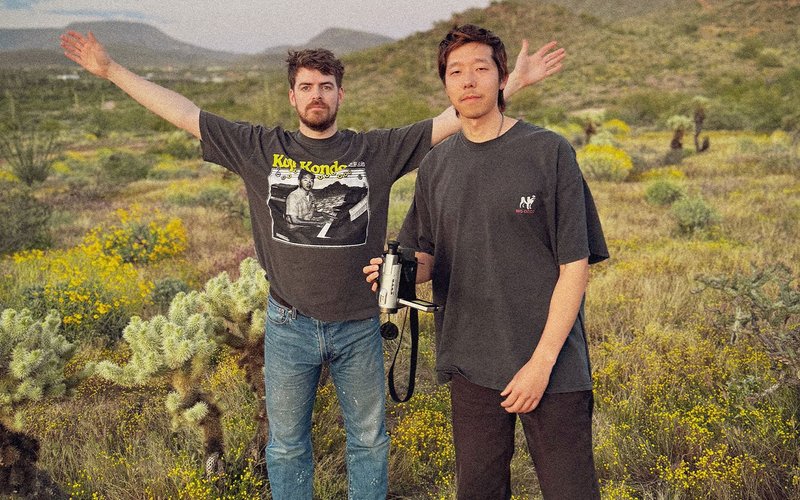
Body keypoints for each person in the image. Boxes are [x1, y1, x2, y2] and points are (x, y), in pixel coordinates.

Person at [60, 29, 565, 499]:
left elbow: (455, 116)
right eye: (306, 87)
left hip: (359, 325)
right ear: (292, 97)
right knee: (286, 445)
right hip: (289, 324)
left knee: (368, 439)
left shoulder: (375, 150)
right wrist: (111, 70)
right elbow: (185, 112)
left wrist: (512, 83)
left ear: (340, 95)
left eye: (326, 86)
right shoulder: (260, 148)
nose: (316, 95)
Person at [364, 24, 609, 499]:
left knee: (571, 490)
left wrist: (541, 364)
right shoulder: (436, 165)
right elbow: (429, 255)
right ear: (445, 85)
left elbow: (574, 267)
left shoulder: (548, 151)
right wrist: (399, 273)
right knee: (478, 490)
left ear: (502, 77)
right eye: (456, 72)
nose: (469, 80)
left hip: (551, 363)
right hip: (471, 363)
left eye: (481, 68)